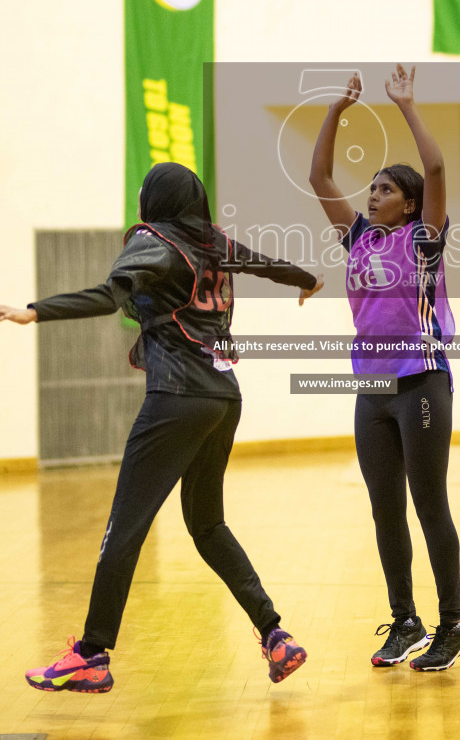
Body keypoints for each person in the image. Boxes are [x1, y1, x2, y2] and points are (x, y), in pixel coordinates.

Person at [0, 162, 323, 693]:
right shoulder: (213, 241)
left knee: (124, 526)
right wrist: (306, 279)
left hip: (176, 395)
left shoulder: (154, 241)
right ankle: (275, 635)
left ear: (156, 200)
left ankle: (91, 654)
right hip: (223, 397)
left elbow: (109, 296)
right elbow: (265, 264)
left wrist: (36, 311)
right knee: (207, 525)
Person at [309, 64, 460, 672]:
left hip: (422, 380)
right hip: (372, 387)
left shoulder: (423, 239)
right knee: (385, 508)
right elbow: (318, 175)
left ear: (408, 205)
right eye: (372, 187)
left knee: (429, 503)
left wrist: (406, 103)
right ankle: (405, 619)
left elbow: (434, 169)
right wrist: (336, 109)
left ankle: (453, 623)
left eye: (384, 188)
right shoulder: (357, 238)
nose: (372, 193)